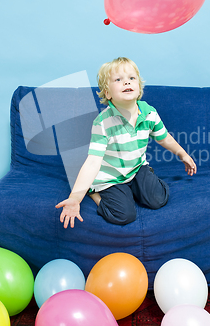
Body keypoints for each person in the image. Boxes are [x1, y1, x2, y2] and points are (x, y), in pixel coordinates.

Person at [56, 57, 196, 228]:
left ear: (138, 88)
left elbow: (164, 137)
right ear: (107, 93)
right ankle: (94, 192)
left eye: (131, 78)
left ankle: (138, 185)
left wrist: (182, 153)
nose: (126, 82)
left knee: (158, 200)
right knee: (124, 215)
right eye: (118, 80)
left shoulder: (149, 112)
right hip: (111, 177)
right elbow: (93, 162)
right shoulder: (103, 123)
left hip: (136, 168)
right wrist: (75, 197)